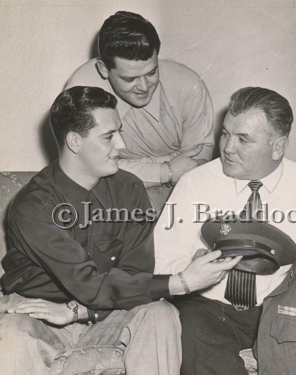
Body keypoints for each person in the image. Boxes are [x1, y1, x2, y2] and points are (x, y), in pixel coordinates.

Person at [0, 86, 241, 375]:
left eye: (120, 132)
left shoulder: (128, 189)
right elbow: (88, 283)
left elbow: (136, 271)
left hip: (106, 312)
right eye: (109, 137)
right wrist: (181, 282)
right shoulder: (33, 205)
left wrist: (80, 311)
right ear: (75, 142)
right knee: (11, 336)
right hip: (38, 312)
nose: (122, 145)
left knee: (160, 315)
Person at [154, 87, 296, 374]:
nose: (228, 147)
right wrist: (192, 270)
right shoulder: (194, 183)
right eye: (225, 134)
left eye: (243, 139)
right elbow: (159, 259)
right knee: (192, 329)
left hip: (279, 310)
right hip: (208, 308)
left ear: (278, 146)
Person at [66, 11, 215, 211]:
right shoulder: (82, 89)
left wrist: (124, 164)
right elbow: (85, 168)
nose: (144, 87)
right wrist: (166, 170)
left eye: (152, 72)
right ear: (103, 69)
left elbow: (196, 167)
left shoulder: (189, 87)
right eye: (130, 79)